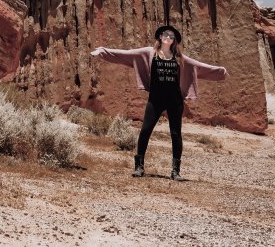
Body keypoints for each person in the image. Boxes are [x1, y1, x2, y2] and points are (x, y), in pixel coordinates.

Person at [90, 25, 229, 181]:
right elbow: (126, 55)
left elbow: (199, 67)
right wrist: (104, 52)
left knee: (176, 134)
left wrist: (219, 72)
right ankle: (139, 167)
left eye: (171, 36)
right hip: (156, 99)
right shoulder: (149, 53)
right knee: (145, 130)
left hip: (175, 100)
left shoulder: (179, 58)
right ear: (160, 37)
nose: (168, 37)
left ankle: (175, 171)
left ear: (174, 40)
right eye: (165, 34)